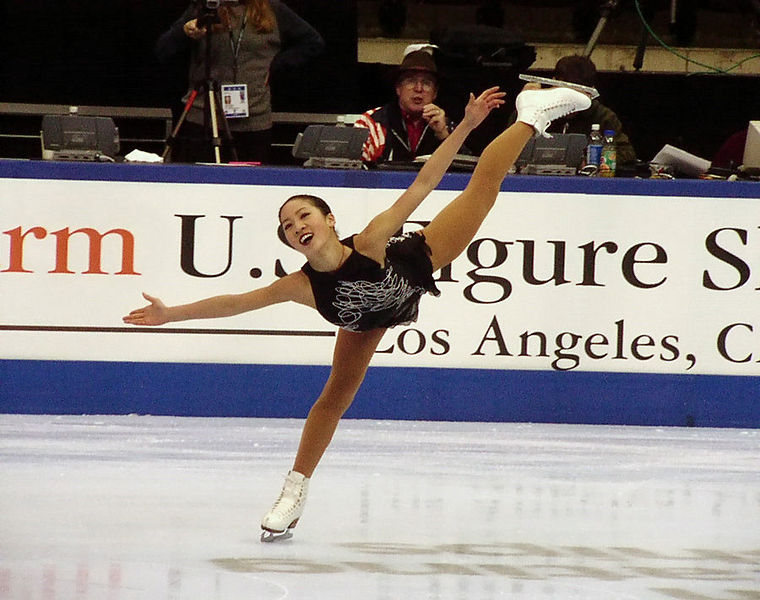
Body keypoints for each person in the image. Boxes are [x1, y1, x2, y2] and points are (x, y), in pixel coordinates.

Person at [122, 84, 592, 540]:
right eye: (288, 225)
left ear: (329, 220)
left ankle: (531, 113)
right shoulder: (300, 286)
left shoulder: (371, 240)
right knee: (333, 399)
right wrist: (171, 314)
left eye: (304, 215)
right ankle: (293, 493)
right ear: (289, 241)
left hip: (415, 265)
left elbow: (425, 181)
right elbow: (236, 303)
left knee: (482, 190)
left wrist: (466, 126)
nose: (297, 225)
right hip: (365, 322)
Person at [156, 0, 324, 164]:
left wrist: (276, 66)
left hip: (254, 120)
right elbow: (163, 50)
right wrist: (184, 32)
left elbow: (312, 42)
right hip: (204, 119)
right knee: (202, 179)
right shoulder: (204, 7)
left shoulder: (272, 9)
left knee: (251, 181)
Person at [509, 55, 636, 165]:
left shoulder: (603, 117)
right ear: (553, 83)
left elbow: (627, 153)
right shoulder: (532, 112)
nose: (571, 105)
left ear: (590, 93)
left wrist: (592, 160)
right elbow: (507, 145)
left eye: (578, 98)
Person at [354, 47, 459, 165]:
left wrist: (443, 135)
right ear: (398, 89)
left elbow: (466, 169)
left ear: (435, 93)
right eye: (411, 81)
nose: (418, 89)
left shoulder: (447, 126)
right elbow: (355, 169)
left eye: (426, 83)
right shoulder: (371, 123)